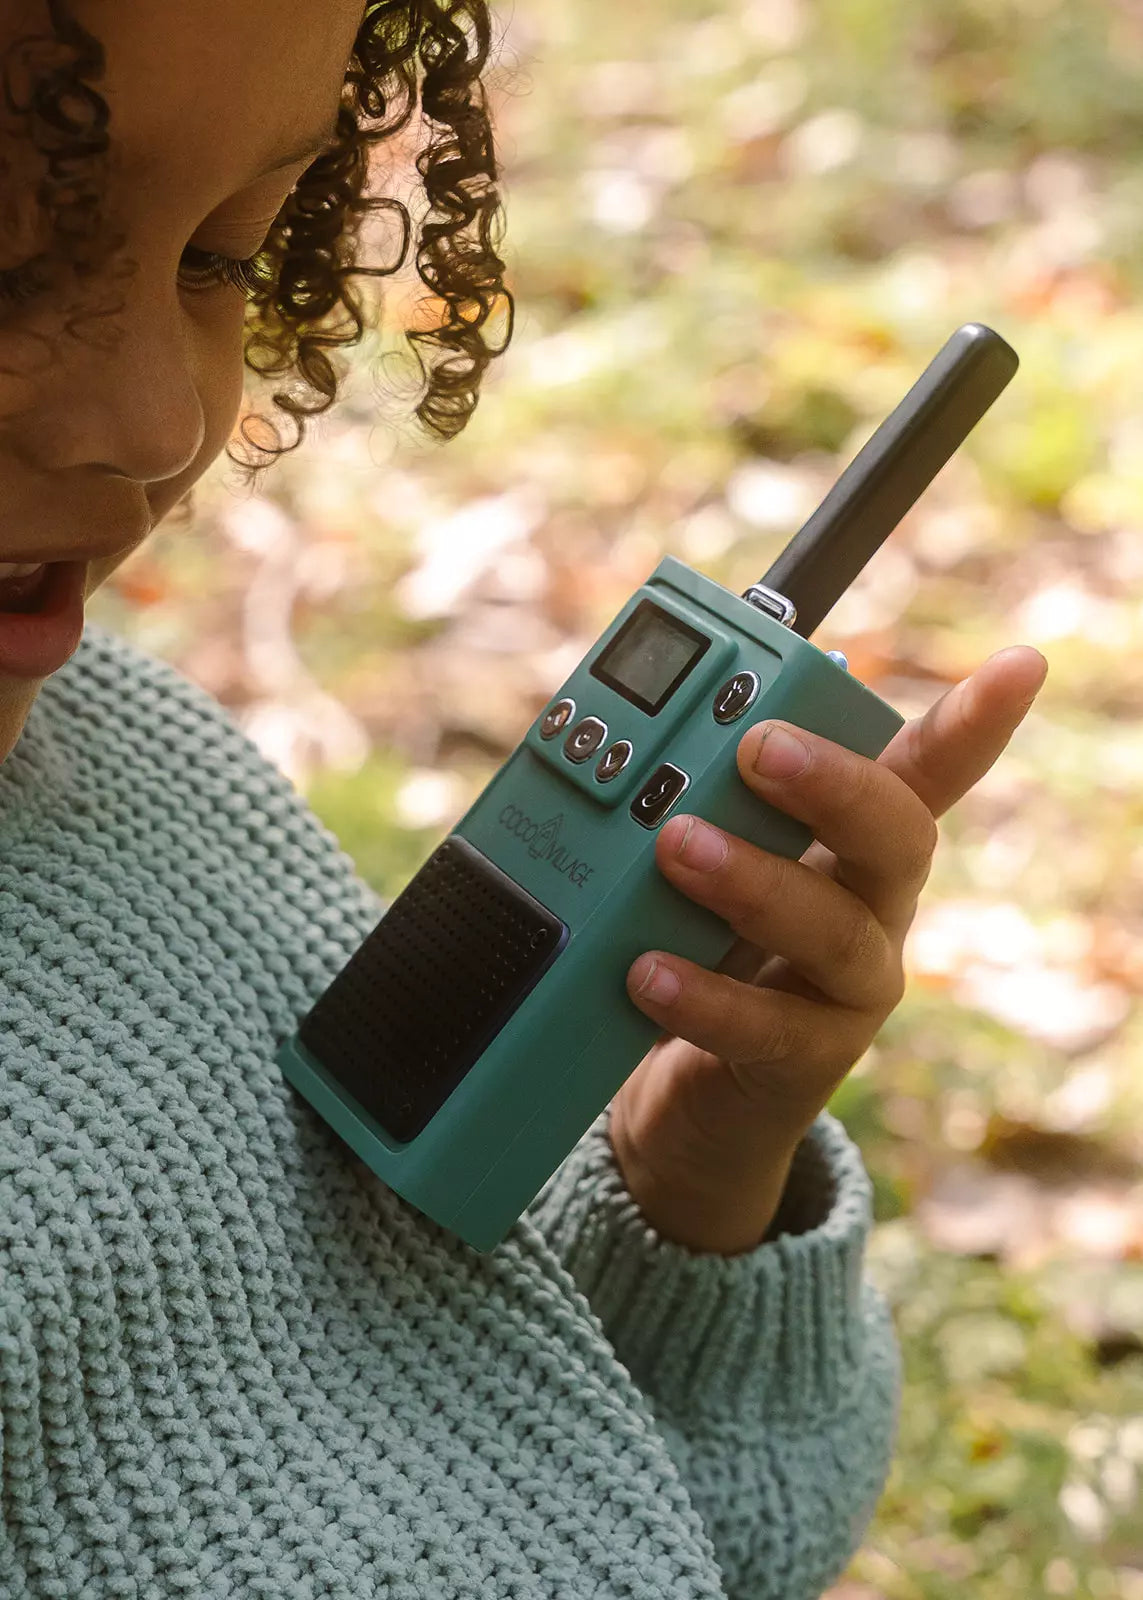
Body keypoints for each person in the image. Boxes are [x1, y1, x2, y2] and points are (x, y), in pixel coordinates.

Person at [0, 2, 1047, 1596]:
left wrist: (680, 1187)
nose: (159, 426)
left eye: (224, 253)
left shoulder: (153, 781)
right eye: (10, 261)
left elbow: (620, 1511)